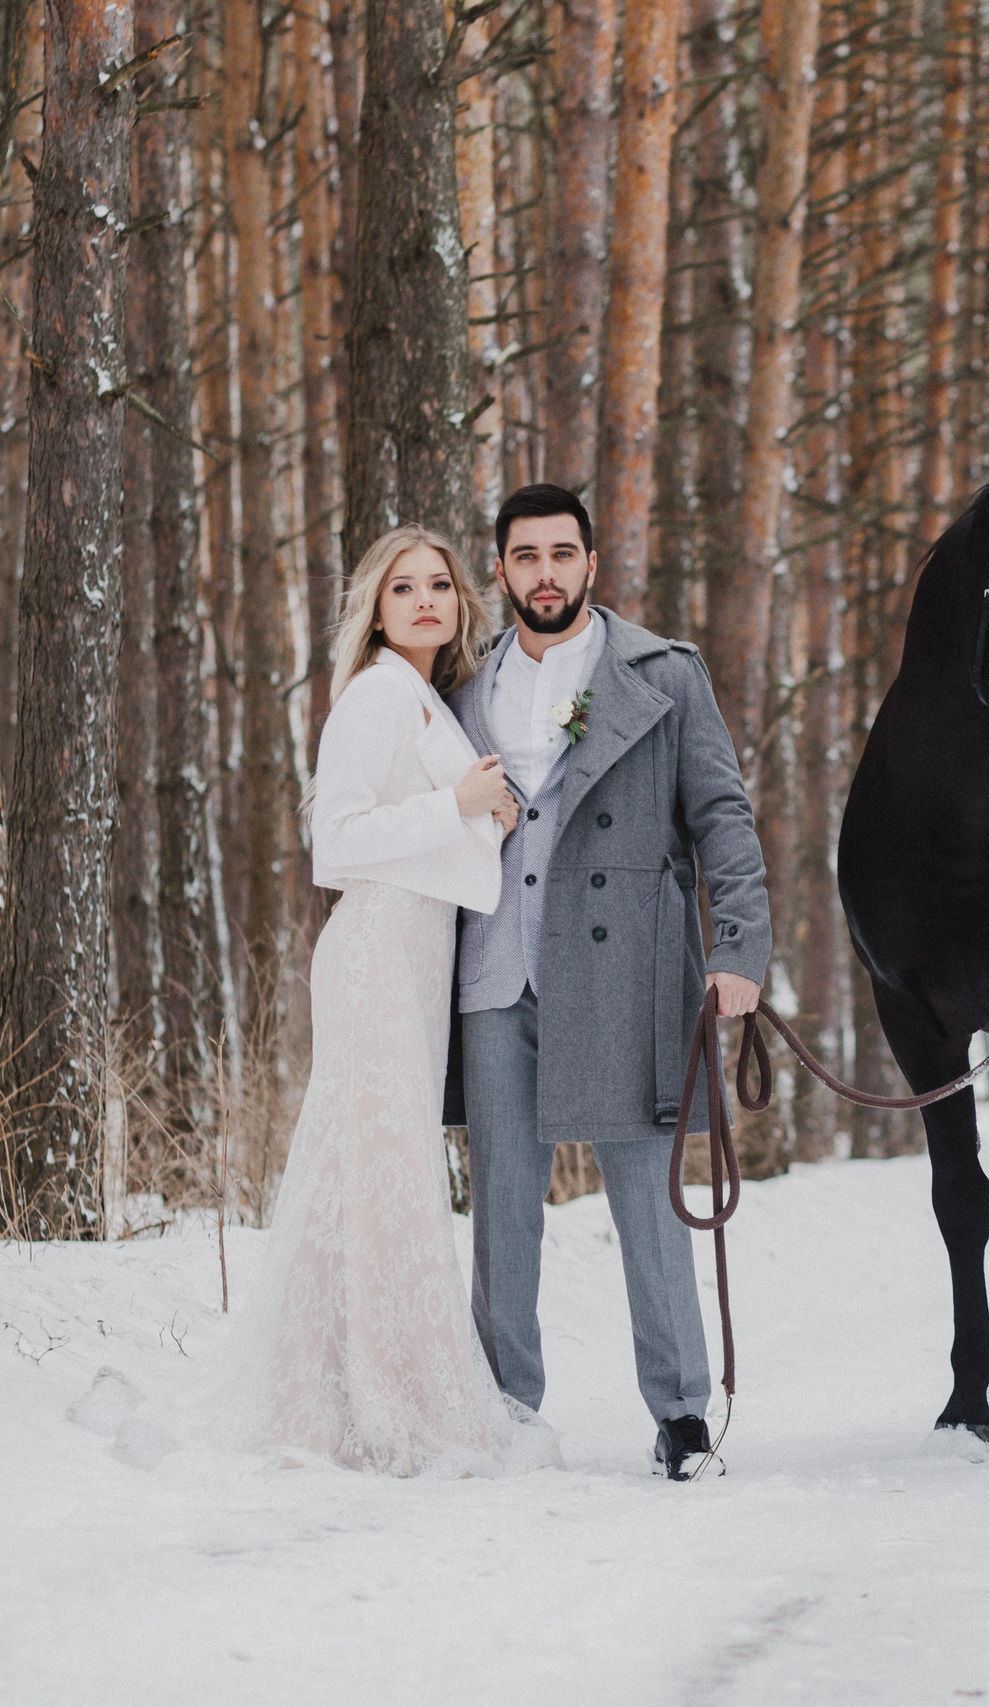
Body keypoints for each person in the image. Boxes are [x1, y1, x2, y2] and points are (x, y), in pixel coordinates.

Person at [197, 523, 558, 1478]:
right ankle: (381, 1404)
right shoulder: (372, 696)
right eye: (405, 589)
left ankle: (336, 1393)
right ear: (377, 607)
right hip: (375, 953)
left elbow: (453, 825)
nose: (427, 600)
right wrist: (458, 807)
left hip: (417, 953)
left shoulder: (429, 703)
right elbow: (337, 844)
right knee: (377, 1170)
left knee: (371, 1174)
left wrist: (487, 810)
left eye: (440, 584)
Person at [449, 483, 771, 1481]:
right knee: (503, 1208)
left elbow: (722, 814)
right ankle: (507, 1409)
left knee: (647, 1199)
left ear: (591, 565)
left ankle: (679, 1414)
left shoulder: (663, 677)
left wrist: (740, 951)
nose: (544, 573)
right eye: (525, 556)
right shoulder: (461, 693)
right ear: (500, 571)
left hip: (628, 964)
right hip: (496, 969)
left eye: (562, 554)